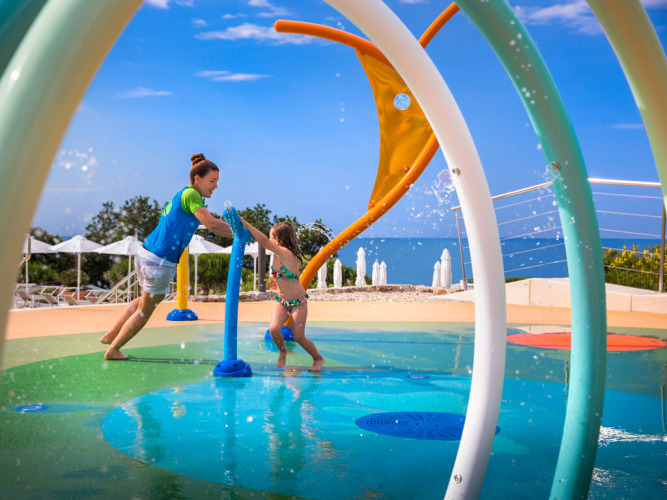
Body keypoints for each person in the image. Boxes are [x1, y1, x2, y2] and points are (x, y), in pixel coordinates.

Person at [101, 153, 233, 360]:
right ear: (197, 179)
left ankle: (111, 335)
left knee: (143, 301)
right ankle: (114, 349)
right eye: (212, 181)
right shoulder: (192, 195)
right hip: (159, 261)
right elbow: (211, 223)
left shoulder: (183, 194)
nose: (216, 186)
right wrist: (239, 231)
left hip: (146, 253)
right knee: (145, 310)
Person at [239, 218, 325, 371]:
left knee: (299, 337)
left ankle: (318, 358)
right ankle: (283, 351)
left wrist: (246, 223)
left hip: (298, 302)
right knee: (273, 329)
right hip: (282, 301)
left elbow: (264, 241)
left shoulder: (286, 253)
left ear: (278, 240)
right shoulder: (276, 256)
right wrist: (275, 281)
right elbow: (283, 276)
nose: (269, 240)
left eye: (271, 237)